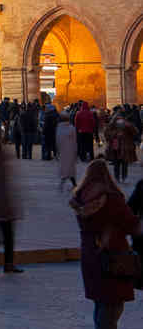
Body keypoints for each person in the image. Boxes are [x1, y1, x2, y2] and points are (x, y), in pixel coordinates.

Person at [71, 159, 140, 329]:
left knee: (100, 305)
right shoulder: (112, 200)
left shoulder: (80, 200)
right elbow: (131, 225)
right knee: (112, 308)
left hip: (91, 259)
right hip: (113, 259)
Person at [0, 143, 23, 273]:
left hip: (1, 208)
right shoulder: (0, 168)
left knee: (8, 238)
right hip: (4, 210)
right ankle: (9, 264)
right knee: (9, 238)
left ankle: (8, 263)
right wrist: (8, 209)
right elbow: (3, 191)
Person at [106, 115, 139, 183]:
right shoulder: (112, 126)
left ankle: (124, 177)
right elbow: (107, 134)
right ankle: (117, 177)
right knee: (116, 163)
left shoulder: (128, 126)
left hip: (125, 148)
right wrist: (115, 134)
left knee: (124, 163)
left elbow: (135, 132)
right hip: (115, 147)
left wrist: (128, 126)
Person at [58, 111, 79, 190]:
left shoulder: (59, 128)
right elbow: (75, 141)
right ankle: (72, 183)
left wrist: (58, 150)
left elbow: (58, 140)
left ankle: (65, 181)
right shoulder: (71, 128)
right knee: (70, 168)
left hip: (63, 151)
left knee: (66, 168)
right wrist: (76, 151)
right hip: (70, 151)